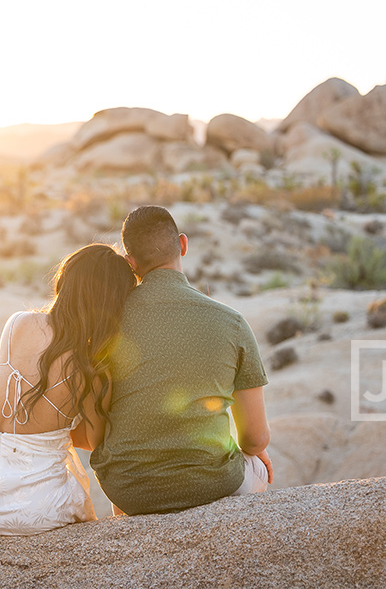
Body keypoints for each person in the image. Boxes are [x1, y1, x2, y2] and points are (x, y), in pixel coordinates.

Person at [0, 244, 137, 535]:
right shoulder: (93, 370)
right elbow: (96, 447)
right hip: (32, 511)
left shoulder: (19, 324)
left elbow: (15, 404)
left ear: (65, 282)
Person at [90, 205, 273, 515]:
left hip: (128, 490)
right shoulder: (232, 322)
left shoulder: (106, 325)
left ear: (129, 263)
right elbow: (255, 439)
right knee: (257, 465)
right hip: (212, 482)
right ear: (183, 245)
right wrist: (255, 453)